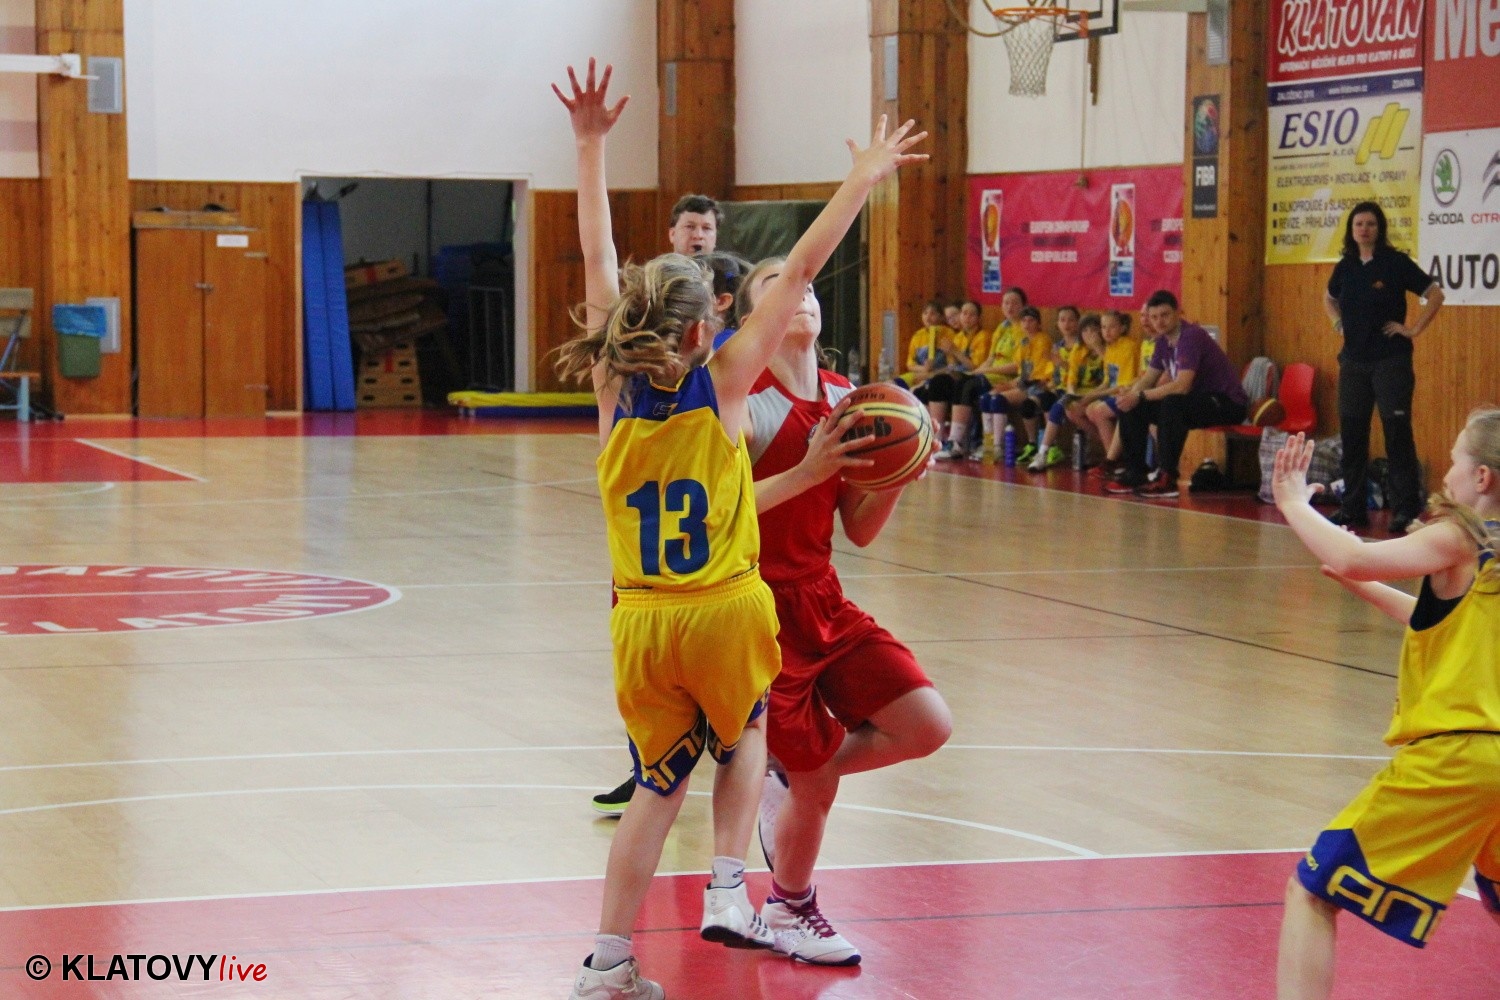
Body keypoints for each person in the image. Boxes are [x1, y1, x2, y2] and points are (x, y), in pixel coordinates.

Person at [553, 59, 927, 999]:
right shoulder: (722, 384)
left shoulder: (610, 388)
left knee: (655, 788)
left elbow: (599, 257)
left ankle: (607, 962)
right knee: (747, 733)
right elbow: (799, 269)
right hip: (721, 606)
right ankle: (728, 885)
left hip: (639, 620)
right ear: (701, 332)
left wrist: (589, 149)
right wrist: (862, 178)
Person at [736, 256, 952, 967]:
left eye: (805, 285)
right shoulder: (743, 402)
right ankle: (789, 907)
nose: (797, 294)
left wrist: (898, 475)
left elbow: (857, 529)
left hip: (821, 598)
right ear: (753, 316)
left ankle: (781, 776)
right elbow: (718, 515)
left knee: (926, 724)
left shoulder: (851, 402)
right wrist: (810, 469)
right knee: (819, 775)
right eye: (776, 286)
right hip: (756, 610)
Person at [1270, 410, 1500, 1000]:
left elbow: (1355, 555)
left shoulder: (1463, 537)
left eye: (1455, 460)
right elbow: (1445, 624)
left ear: (1482, 478)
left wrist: (1293, 502)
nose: (1445, 474)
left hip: (1459, 758)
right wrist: (1363, 584)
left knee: (1312, 892)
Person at [1324, 200, 1445, 534]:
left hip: (1390, 361)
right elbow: (1329, 297)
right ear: (1351, 230)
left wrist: (1413, 328)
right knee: (1352, 434)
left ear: (1379, 229)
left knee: (1397, 433)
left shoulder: (1395, 263)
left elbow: (1435, 294)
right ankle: (1352, 508)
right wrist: (1337, 323)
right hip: (1353, 362)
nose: (1365, 229)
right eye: (1359, 224)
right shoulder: (1346, 266)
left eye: (1371, 224)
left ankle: (1406, 508)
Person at [1105, 290, 1247, 499]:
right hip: (1196, 402)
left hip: (1226, 403)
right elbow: (1148, 379)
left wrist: (1140, 395)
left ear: (1178, 313)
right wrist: (1131, 396)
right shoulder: (1162, 342)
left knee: (1172, 403)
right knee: (1133, 404)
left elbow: (1182, 386)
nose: (1159, 322)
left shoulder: (1191, 336)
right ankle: (1136, 472)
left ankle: (1167, 478)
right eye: (1154, 317)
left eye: (1165, 315)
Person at [1028, 310, 1103, 471]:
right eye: (1085, 331)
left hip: (1101, 391)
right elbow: (1071, 379)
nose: (1089, 334)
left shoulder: (1106, 349)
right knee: (1059, 405)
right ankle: (1042, 453)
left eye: (1093, 330)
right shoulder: (1078, 350)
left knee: (1066, 406)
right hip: (1077, 392)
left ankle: (1107, 448)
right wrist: (1071, 393)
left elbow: (1110, 373)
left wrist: (1098, 348)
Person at [1083, 309, 1143, 478]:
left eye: (1112, 327)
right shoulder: (1110, 347)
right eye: (1103, 327)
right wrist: (1089, 394)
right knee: (1085, 409)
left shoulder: (1128, 346)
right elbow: (1108, 381)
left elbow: (1122, 385)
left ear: (1122, 328)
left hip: (1127, 392)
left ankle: (1113, 461)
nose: (1106, 332)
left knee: (1098, 411)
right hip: (1114, 391)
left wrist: (1093, 396)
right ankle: (1113, 456)